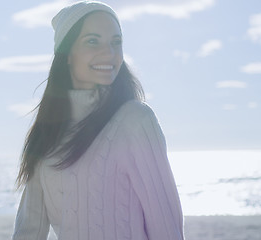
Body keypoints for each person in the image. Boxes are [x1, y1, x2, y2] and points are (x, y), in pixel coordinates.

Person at [12, 1, 184, 240]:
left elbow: (167, 229)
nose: (109, 53)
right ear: (67, 54)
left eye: (116, 42)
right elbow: (28, 231)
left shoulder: (135, 121)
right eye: (93, 41)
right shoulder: (47, 134)